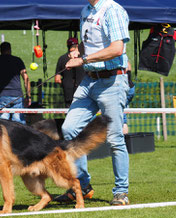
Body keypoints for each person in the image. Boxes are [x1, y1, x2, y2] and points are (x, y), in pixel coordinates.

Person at [54, 0, 130, 206]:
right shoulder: (85, 10)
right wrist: (79, 51)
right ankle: (83, 186)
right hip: (89, 81)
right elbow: (88, 42)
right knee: (69, 129)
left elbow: (117, 48)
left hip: (112, 81)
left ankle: (121, 191)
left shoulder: (112, 10)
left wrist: (83, 60)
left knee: (115, 140)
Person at [0, 42, 31, 124]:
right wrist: (28, 96)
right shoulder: (18, 60)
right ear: (10, 49)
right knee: (19, 123)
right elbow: (26, 78)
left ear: (0, 50)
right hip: (17, 95)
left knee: (2, 124)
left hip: (2, 95)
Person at [55, 38, 85, 108]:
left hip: (68, 90)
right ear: (77, 46)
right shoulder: (83, 59)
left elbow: (57, 79)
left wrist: (65, 83)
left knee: (69, 111)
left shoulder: (62, 59)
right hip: (82, 88)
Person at [123, 61, 135, 134]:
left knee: (120, 118)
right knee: (121, 116)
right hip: (130, 88)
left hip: (124, 89)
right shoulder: (126, 61)